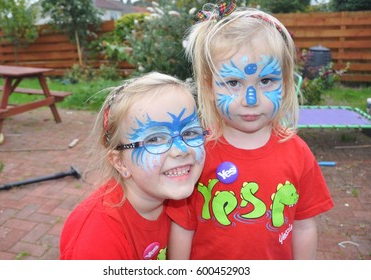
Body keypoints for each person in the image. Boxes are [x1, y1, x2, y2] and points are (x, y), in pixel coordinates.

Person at [167, 2, 334, 260]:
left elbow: (304, 226)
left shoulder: (298, 153)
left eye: (266, 81)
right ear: (209, 87)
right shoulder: (197, 153)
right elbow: (183, 226)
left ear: (286, 83)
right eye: (233, 82)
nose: (251, 99)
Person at [60, 72, 207, 260]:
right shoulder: (98, 238)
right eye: (155, 139)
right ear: (120, 162)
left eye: (190, 132)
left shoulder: (179, 197)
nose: (181, 149)